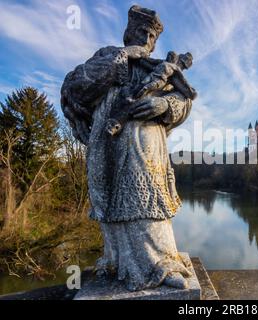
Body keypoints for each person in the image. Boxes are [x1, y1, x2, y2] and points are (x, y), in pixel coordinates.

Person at [61, 5, 195, 291]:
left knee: (147, 201)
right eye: (141, 32)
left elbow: (184, 102)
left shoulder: (158, 68)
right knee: (112, 204)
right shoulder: (107, 57)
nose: (146, 39)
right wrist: (121, 58)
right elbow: (75, 87)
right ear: (128, 33)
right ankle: (119, 262)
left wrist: (164, 104)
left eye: (151, 36)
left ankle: (159, 264)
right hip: (108, 144)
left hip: (146, 146)